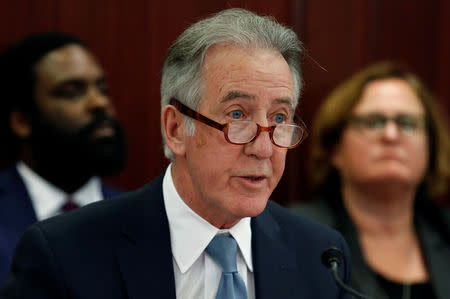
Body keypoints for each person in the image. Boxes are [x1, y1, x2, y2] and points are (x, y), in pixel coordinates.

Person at [1, 9, 352, 299]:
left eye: (279, 118)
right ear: (175, 129)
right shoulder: (65, 254)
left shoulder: (321, 257)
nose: (263, 148)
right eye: (237, 115)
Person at [291, 61, 450, 299]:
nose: (391, 135)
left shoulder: (444, 230)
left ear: (431, 146)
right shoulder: (296, 233)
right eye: (373, 122)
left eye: (407, 123)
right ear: (335, 148)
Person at [0, 32, 127, 283]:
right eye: (72, 92)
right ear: (22, 121)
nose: (99, 102)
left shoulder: (146, 215)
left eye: (102, 89)